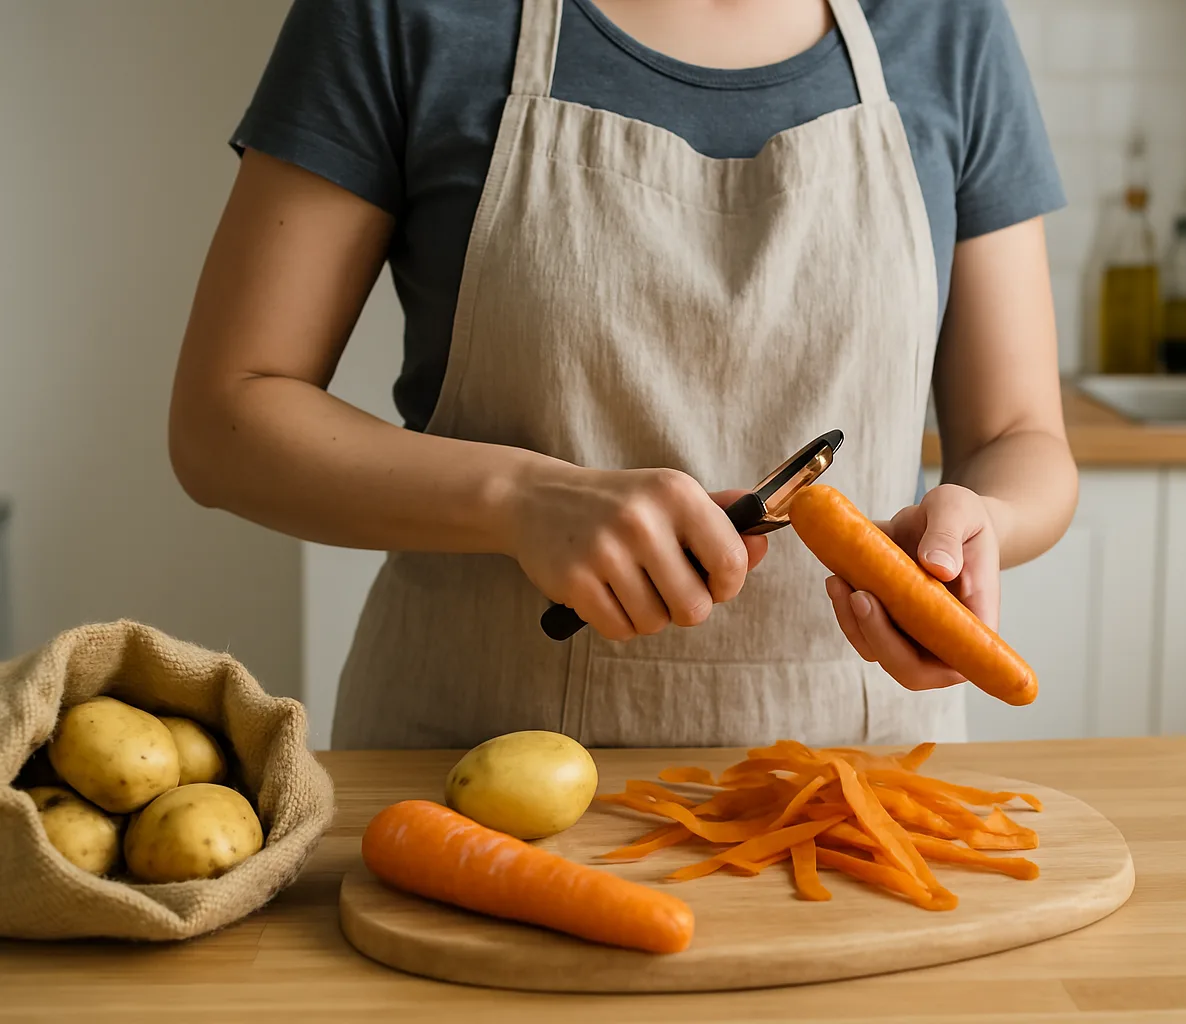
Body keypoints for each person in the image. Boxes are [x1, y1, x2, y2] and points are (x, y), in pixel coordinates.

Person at [168, 0, 1078, 750]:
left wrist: (979, 526)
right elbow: (223, 421)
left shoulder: (949, 27)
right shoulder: (396, 14)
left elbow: (1019, 439)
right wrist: (518, 497)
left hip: (865, 787)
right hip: (472, 776)